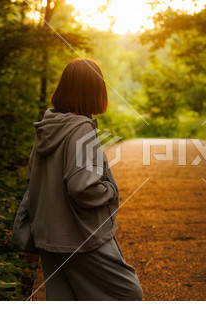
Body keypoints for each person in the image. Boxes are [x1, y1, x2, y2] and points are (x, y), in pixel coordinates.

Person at [26, 58, 143, 301]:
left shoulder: (49, 125)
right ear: (94, 91)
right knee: (128, 295)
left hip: (48, 235)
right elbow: (83, 186)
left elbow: (32, 178)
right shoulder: (81, 129)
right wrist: (110, 190)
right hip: (78, 235)